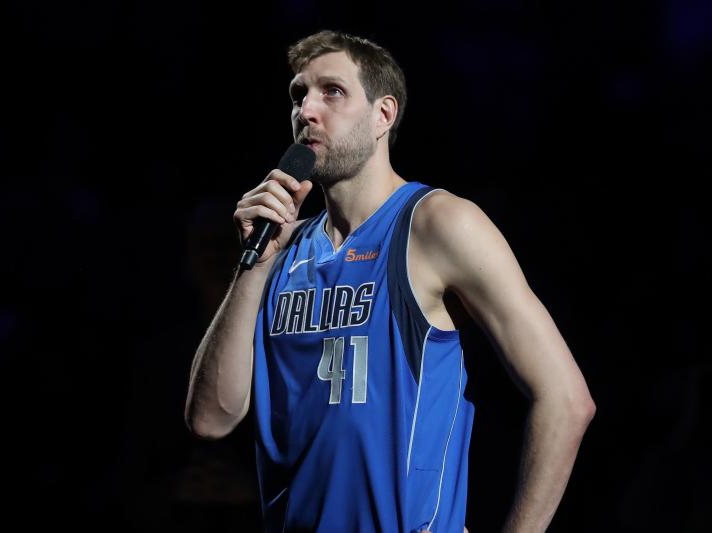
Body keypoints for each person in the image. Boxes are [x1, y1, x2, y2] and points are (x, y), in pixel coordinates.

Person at [184, 30, 595, 533]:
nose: (306, 111)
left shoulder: (438, 223)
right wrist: (252, 266)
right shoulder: (281, 250)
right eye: (298, 94)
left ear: (384, 114)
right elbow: (211, 419)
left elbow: (566, 398)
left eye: (331, 91)